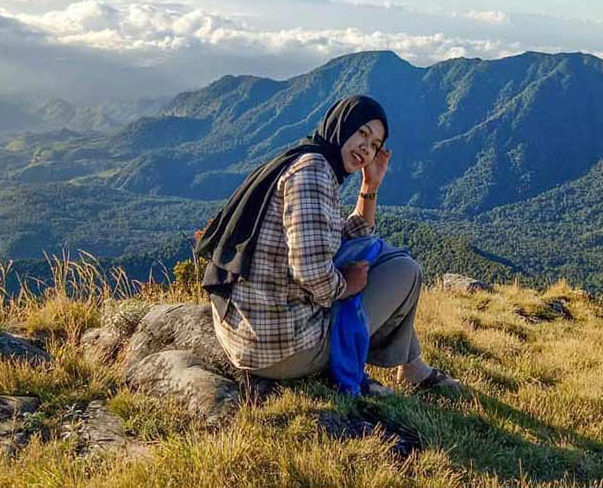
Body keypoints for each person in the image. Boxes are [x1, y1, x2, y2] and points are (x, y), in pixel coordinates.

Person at [196, 94, 462, 392]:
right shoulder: (314, 173)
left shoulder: (305, 159)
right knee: (405, 270)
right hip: (281, 350)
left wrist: (369, 186)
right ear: (342, 124)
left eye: (375, 144)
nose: (366, 147)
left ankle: (412, 365)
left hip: (248, 333)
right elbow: (311, 272)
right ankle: (411, 369)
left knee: (379, 253)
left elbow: (346, 235)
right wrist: (346, 285)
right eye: (362, 133)